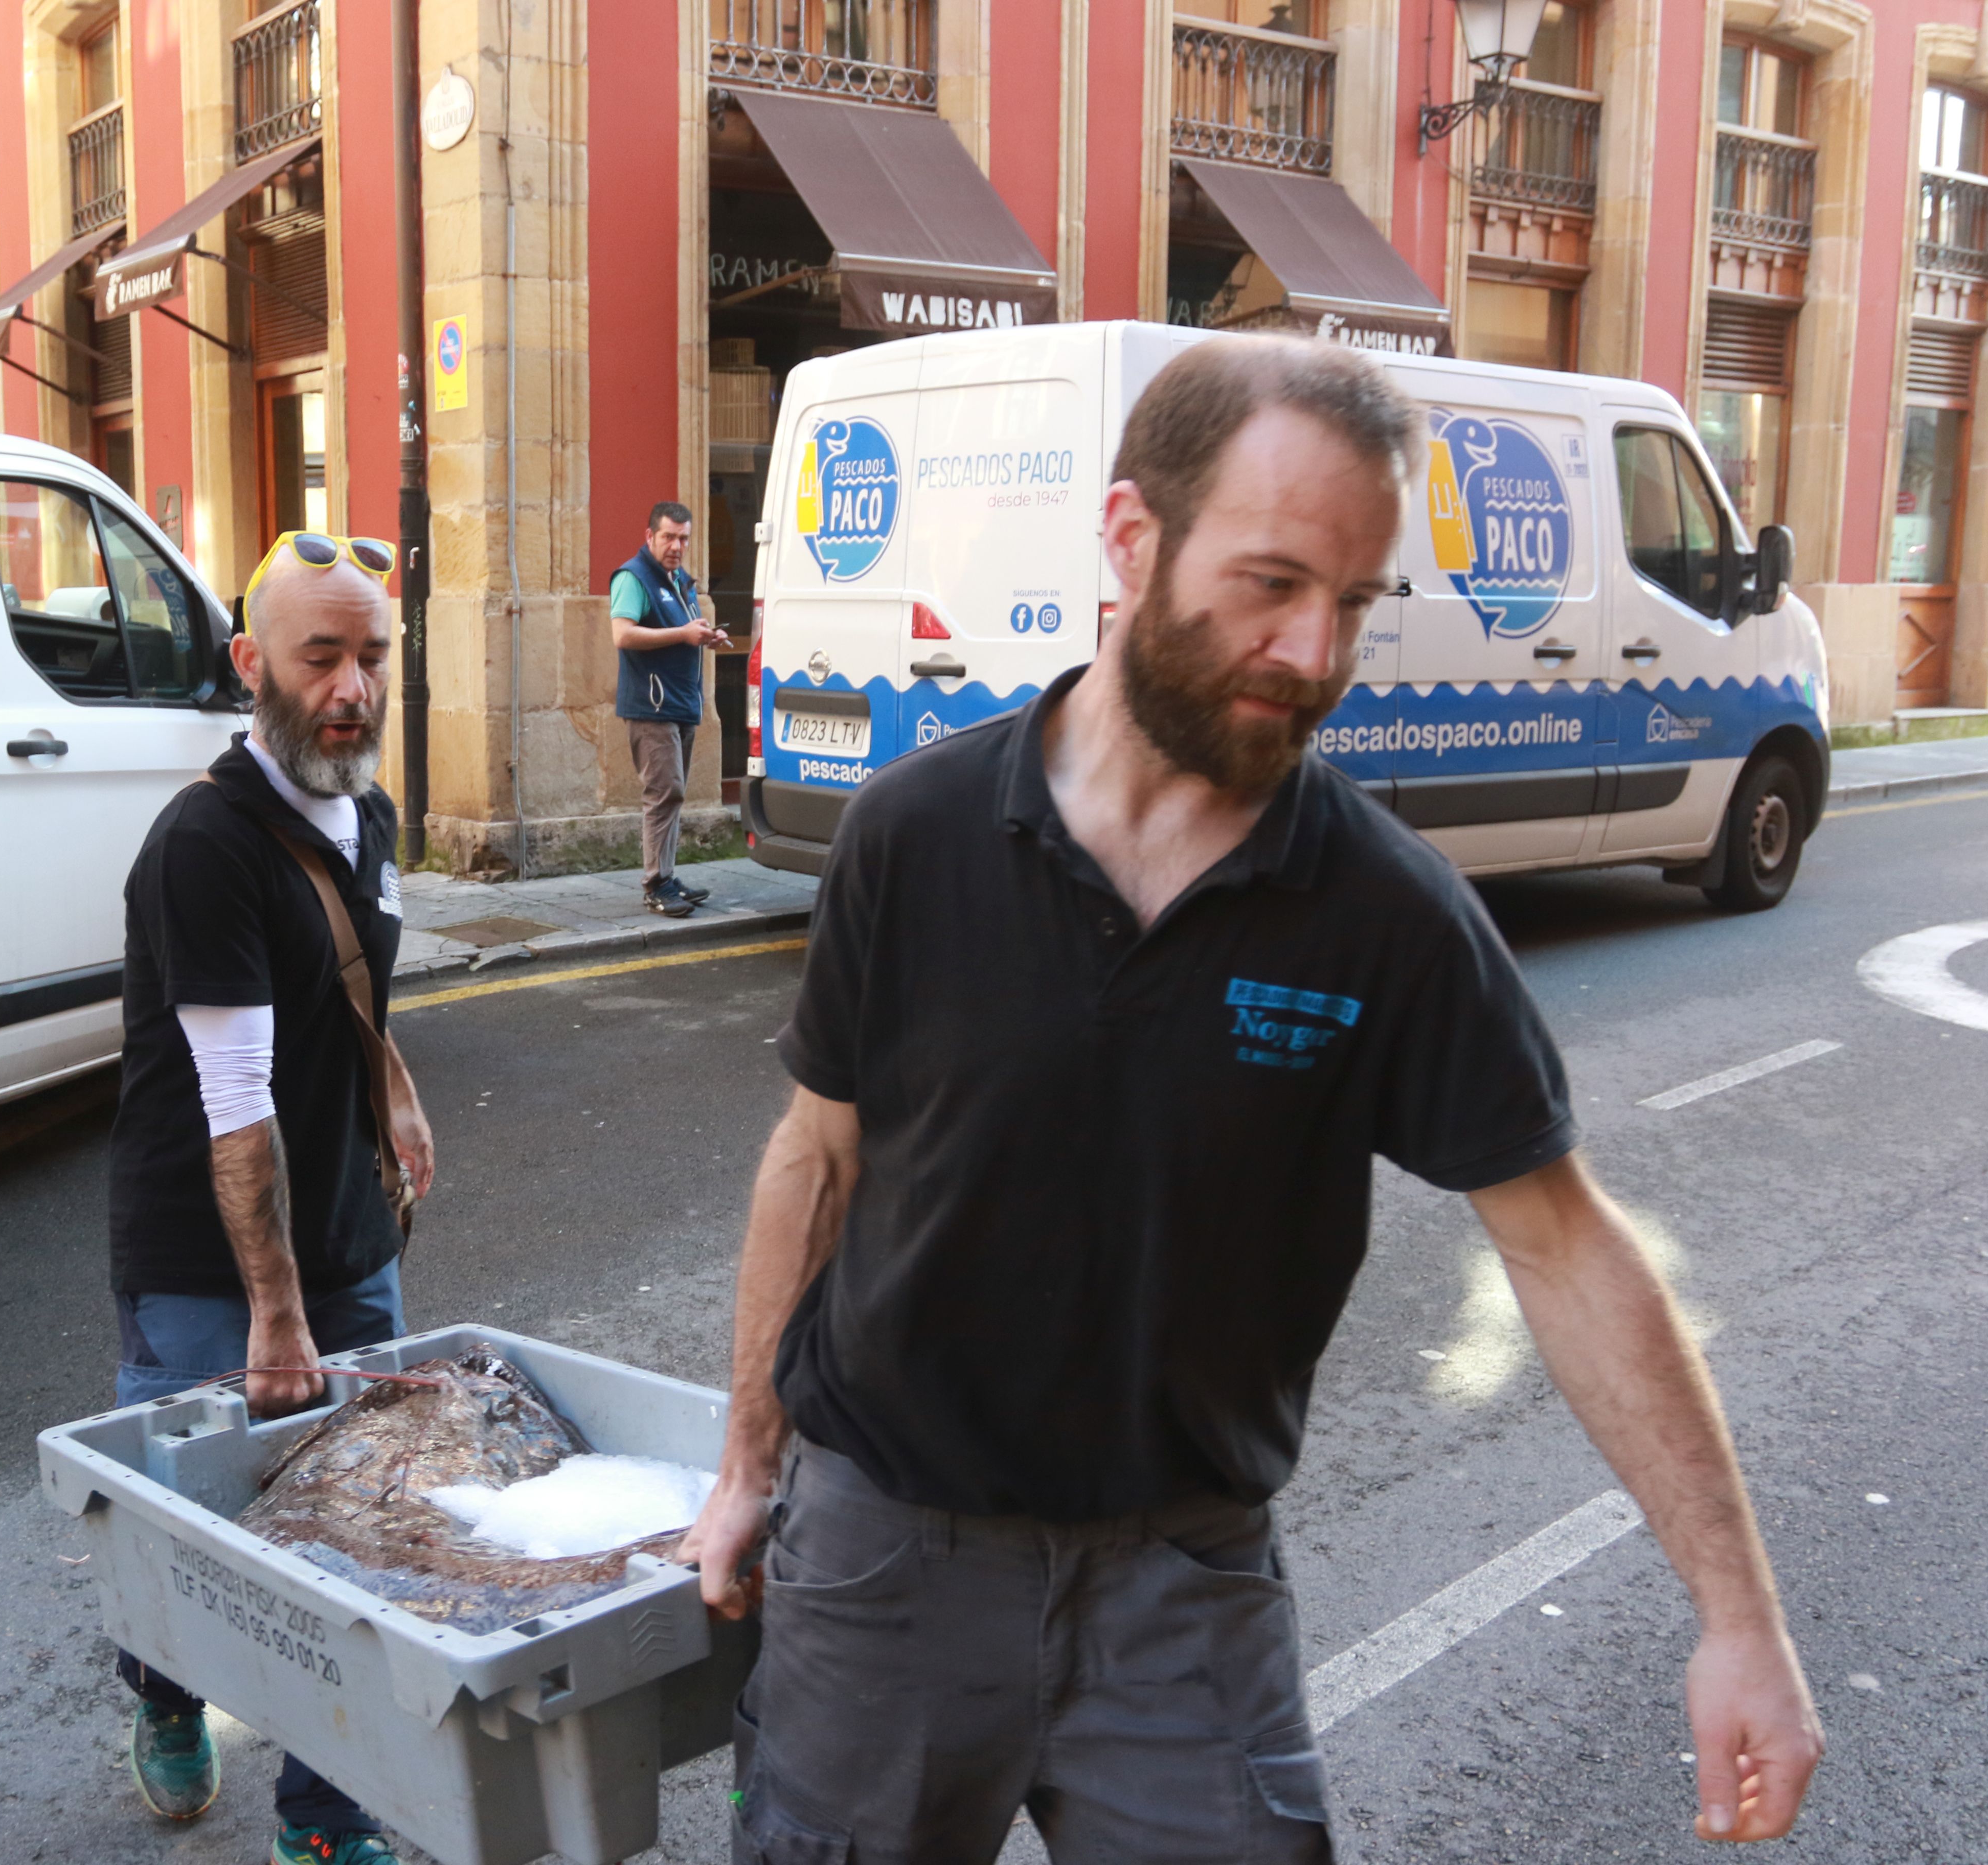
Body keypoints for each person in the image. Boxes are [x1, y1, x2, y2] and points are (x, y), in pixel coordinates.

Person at [677, 338, 1823, 1863]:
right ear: (1132, 537)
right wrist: (748, 1463)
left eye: (1354, 603)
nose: (1313, 651)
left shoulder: (1383, 908)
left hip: (1183, 1586)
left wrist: (1737, 1614)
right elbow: (815, 1159)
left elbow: (1566, 1245)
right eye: (1272, 583)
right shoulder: (915, 832)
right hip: (887, 1561)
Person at [105, 531, 436, 1865]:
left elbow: (345, 988)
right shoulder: (206, 845)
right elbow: (235, 1102)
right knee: (201, 1528)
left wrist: (394, 1086)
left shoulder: (369, 812)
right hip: (210, 1264)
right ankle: (167, 1692)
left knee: (353, 1527)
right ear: (252, 666)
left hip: (348, 1236)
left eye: (373, 658)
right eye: (322, 657)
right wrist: (278, 1318)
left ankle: (324, 1817)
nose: (353, 687)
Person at [609, 501, 727, 917]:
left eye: (684, 538)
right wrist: (682, 633)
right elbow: (622, 635)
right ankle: (656, 884)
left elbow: (684, 634)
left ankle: (669, 875)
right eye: (669, 537)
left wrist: (705, 637)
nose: (677, 546)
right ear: (650, 537)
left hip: (681, 703)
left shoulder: (680, 581)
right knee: (665, 792)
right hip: (651, 706)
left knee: (674, 795)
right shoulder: (633, 577)